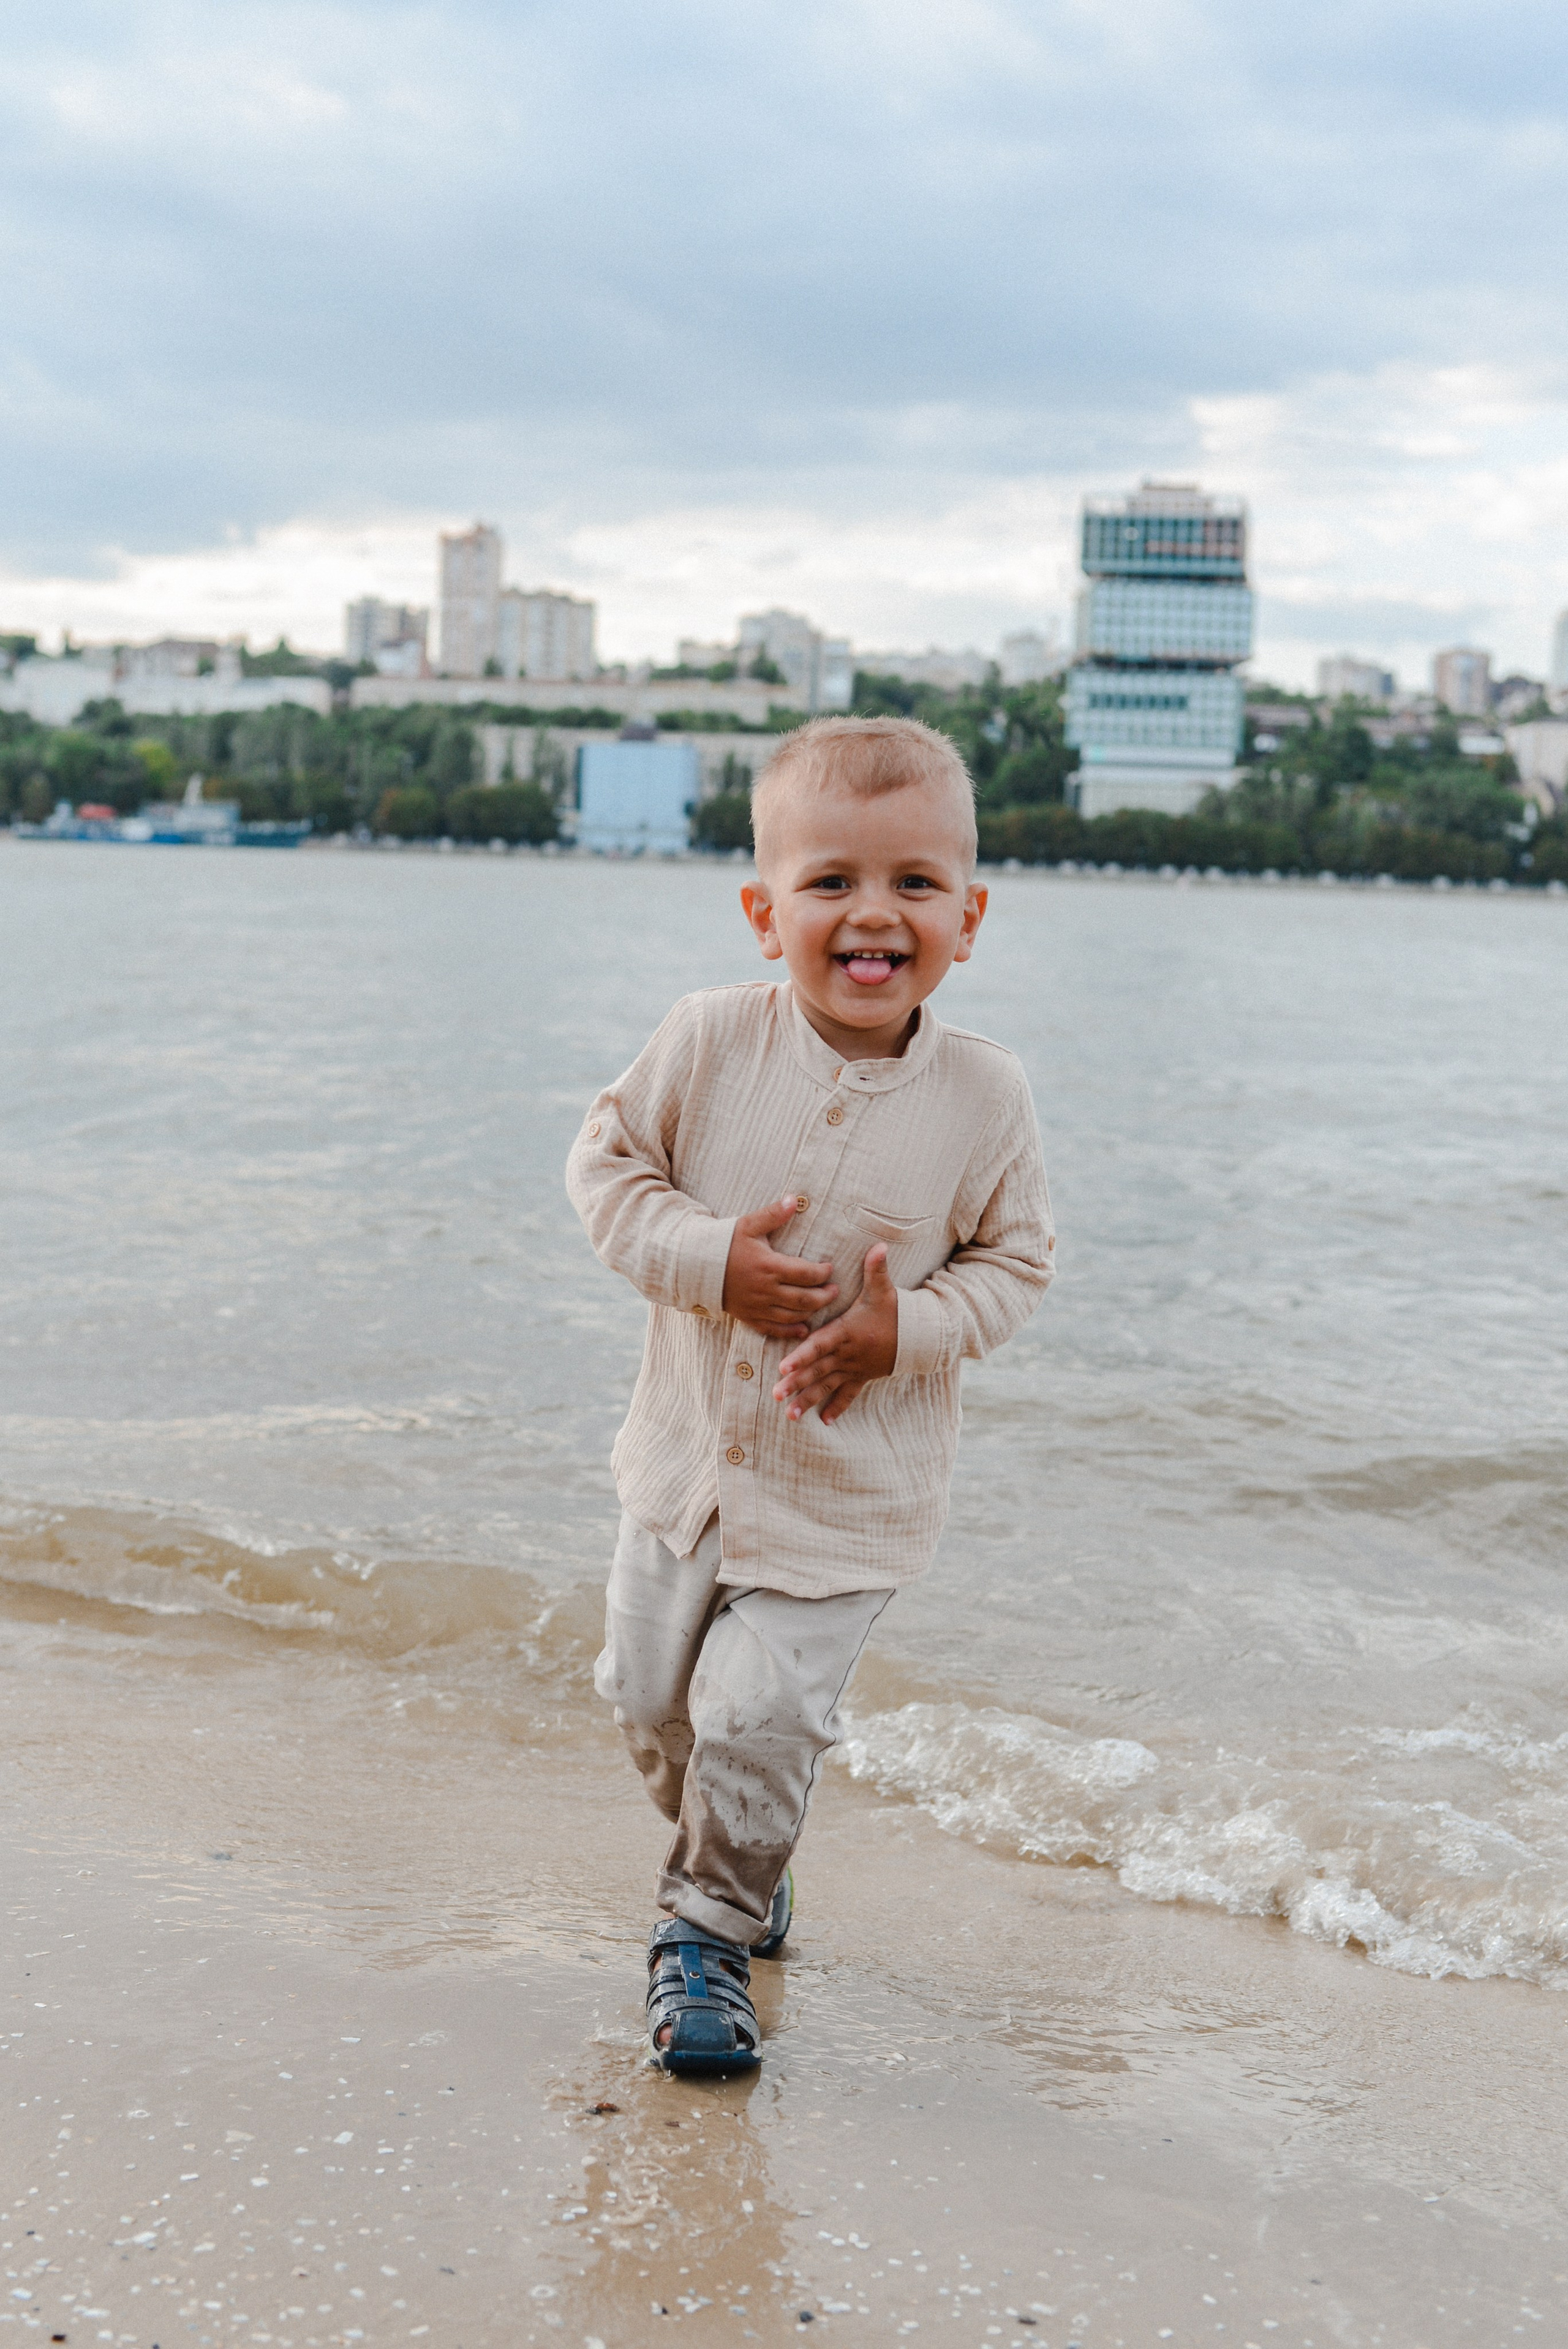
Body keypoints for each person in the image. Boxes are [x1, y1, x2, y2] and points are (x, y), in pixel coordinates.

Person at [565, 714, 1055, 2075]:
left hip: (848, 1497)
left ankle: (704, 1935)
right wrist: (710, 1259)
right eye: (829, 881)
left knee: (757, 1715)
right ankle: (746, 1854)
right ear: (760, 908)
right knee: (645, 1698)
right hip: (681, 1469)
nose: (871, 914)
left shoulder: (984, 1093)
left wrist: (905, 1333)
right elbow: (606, 1175)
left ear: (968, 912)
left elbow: (1016, 1266)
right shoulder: (707, 1041)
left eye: (912, 884)